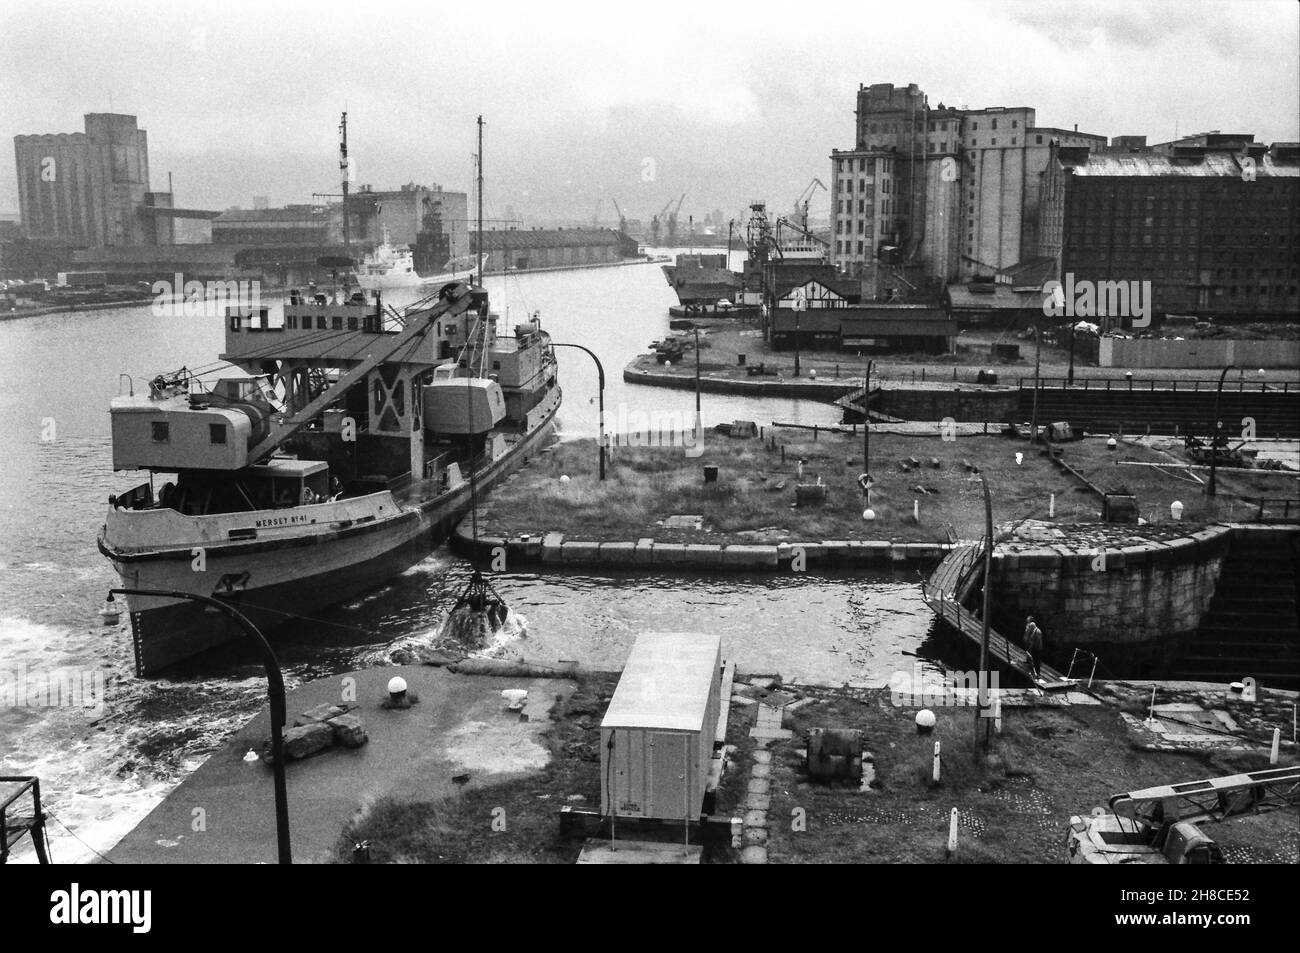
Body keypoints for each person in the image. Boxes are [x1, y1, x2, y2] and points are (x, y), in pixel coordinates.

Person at [1024, 615, 1044, 682]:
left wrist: (1032, 646)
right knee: (1033, 659)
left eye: (1030, 627)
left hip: (1037, 648)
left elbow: (1037, 641)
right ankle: (1033, 670)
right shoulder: (1034, 631)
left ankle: (1037, 674)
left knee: (1036, 661)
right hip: (1034, 648)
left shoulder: (1037, 631)